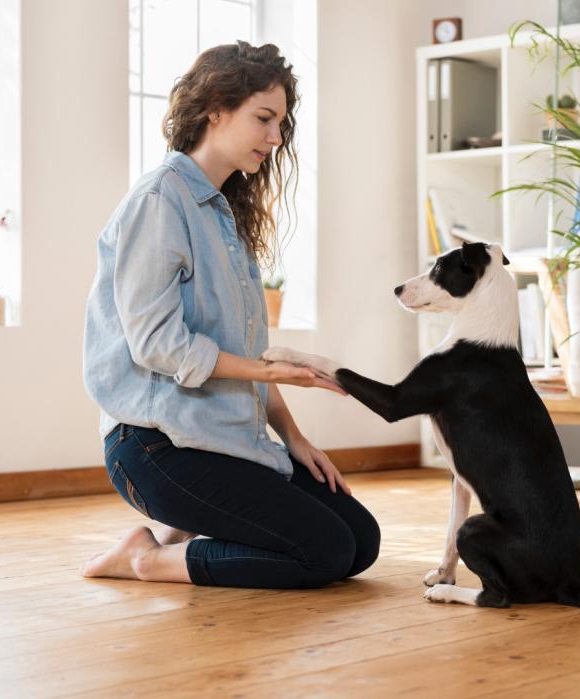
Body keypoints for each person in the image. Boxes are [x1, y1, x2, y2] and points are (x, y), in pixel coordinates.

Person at [80, 42, 379, 588]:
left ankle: (178, 533)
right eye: (264, 119)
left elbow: (243, 347)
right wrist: (267, 373)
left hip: (222, 439)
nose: (276, 137)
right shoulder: (158, 201)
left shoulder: (225, 215)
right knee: (325, 552)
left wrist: (294, 437)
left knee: (361, 541)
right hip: (153, 446)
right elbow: (157, 345)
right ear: (215, 109)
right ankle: (145, 559)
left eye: (281, 123)